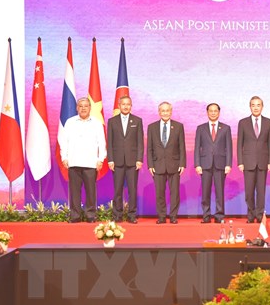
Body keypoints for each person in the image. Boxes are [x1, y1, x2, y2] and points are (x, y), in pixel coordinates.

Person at [59, 97, 106, 223]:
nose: (83, 108)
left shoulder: (96, 123)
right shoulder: (70, 122)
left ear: (90, 108)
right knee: (74, 192)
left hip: (91, 163)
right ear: (77, 108)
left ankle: (90, 215)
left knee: (91, 191)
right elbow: (64, 141)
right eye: (81, 106)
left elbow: (102, 142)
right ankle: (75, 216)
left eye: (86, 106)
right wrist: (64, 157)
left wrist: (101, 159)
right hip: (74, 162)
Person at [237, 96, 270, 223]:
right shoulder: (243, 123)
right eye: (253, 105)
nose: (256, 107)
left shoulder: (269, 122)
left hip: (263, 162)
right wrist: (240, 162)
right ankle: (250, 214)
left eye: (258, 105)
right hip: (248, 162)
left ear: (262, 107)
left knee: (261, 191)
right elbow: (239, 144)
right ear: (250, 107)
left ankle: (259, 215)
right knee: (249, 192)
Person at [147, 102, 186, 224]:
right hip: (157, 165)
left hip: (174, 165)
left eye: (167, 110)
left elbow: (182, 147)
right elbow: (149, 148)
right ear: (159, 112)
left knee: (175, 193)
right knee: (159, 193)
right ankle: (162, 216)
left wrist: (182, 164)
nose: (165, 113)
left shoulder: (178, 126)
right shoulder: (152, 127)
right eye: (163, 111)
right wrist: (150, 165)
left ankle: (173, 216)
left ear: (171, 111)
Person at [107, 96, 144, 224]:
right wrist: (110, 159)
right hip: (117, 162)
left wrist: (139, 159)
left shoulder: (137, 121)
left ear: (131, 106)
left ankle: (132, 215)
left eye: (128, 104)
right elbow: (109, 142)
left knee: (132, 190)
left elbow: (140, 142)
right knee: (117, 190)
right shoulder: (112, 121)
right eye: (123, 104)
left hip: (133, 162)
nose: (126, 106)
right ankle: (117, 215)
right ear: (119, 105)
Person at [195, 103, 232, 224]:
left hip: (220, 164)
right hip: (205, 164)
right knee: (205, 192)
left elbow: (229, 147)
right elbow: (197, 147)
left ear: (219, 113)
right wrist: (197, 164)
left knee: (219, 192)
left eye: (215, 111)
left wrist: (228, 164)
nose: (213, 113)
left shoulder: (225, 128)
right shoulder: (201, 128)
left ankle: (219, 216)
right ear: (207, 113)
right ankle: (206, 216)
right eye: (210, 111)